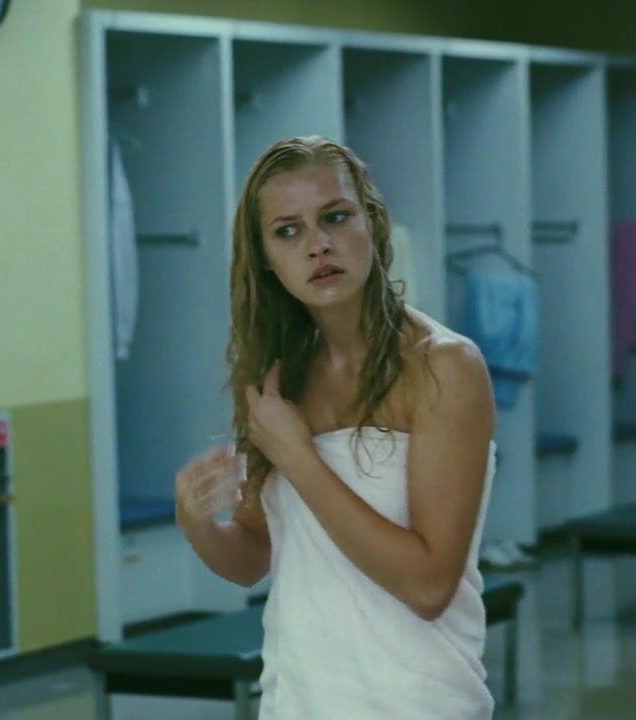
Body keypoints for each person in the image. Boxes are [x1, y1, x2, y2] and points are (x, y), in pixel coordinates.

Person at [174, 136, 498, 719]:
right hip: (297, 700)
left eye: (336, 217)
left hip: (418, 703)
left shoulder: (444, 366)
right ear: (266, 257)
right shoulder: (277, 377)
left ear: (373, 222)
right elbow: (253, 556)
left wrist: (300, 458)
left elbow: (429, 586)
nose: (318, 244)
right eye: (288, 231)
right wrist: (197, 523)